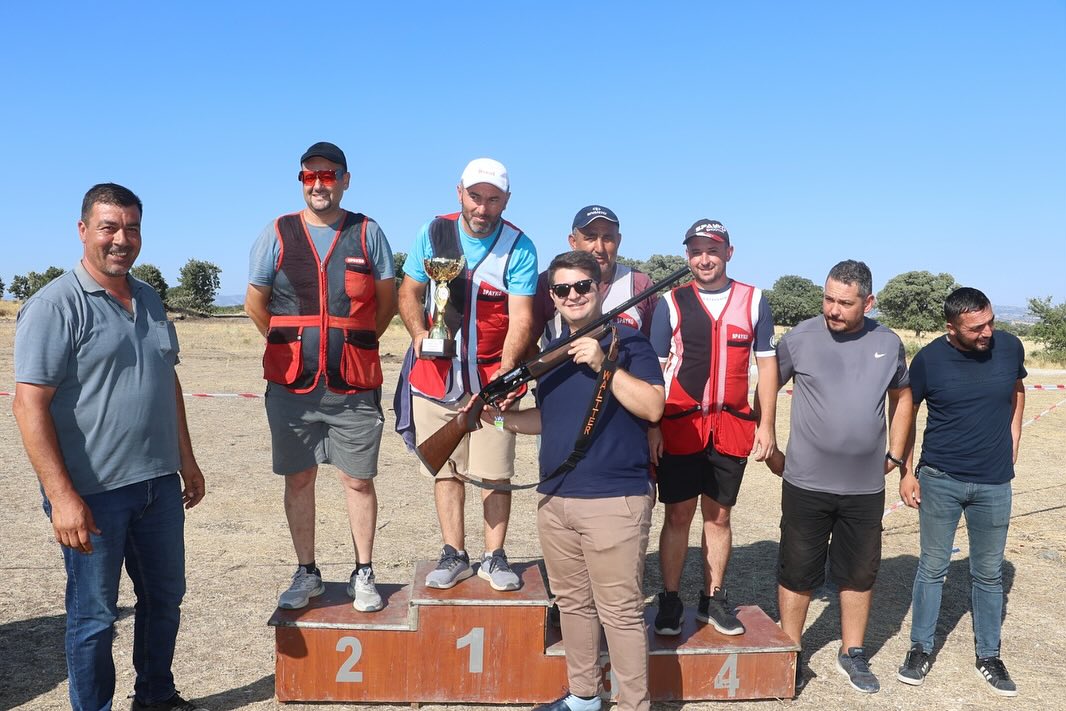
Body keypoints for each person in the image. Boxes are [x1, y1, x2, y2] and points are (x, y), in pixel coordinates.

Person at [13, 183, 208, 711]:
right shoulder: (55, 305)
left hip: (158, 487)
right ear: (83, 231)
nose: (122, 239)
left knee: (165, 600)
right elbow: (28, 405)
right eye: (109, 227)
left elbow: (166, 382)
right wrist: (63, 496)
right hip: (92, 496)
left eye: (132, 228)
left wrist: (185, 460)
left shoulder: (148, 298)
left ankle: (156, 697)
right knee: (94, 618)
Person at [485, 250, 664, 711]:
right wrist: (500, 420)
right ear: (553, 296)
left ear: (601, 289)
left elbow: (652, 407)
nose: (573, 296)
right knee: (573, 606)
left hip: (615, 499)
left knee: (621, 613)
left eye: (582, 286)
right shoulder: (550, 353)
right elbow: (553, 419)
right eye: (562, 289)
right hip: (555, 498)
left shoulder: (630, 344)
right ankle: (584, 696)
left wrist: (604, 363)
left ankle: (632, 704)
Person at [245, 141, 397, 613]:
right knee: (298, 480)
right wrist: (292, 344)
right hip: (292, 388)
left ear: (345, 180)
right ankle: (306, 572)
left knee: (359, 482)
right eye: (309, 176)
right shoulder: (276, 232)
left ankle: (363, 572)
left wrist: (356, 343)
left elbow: (387, 301)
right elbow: (256, 302)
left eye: (328, 176)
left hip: (353, 386)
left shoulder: (368, 232)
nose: (318, 184)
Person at [769, 259, 912, 694]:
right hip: (806, 482)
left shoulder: (888, 343)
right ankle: (790, 649)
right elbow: (765, 387)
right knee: (797, 570)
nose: (833, 309)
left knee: (858, 572)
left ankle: (852, 651)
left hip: (865, 488)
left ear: (868, 302)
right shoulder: (798, 339)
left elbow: (903, 397)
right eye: (828, 299)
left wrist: (896, 453)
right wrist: (769, 444)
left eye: (845, 303)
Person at [397, 157, 538, 592]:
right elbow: (410, 290)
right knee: (445, 472)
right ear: (459, 193)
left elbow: (521, 319)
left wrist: (504, 376)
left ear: (506, 201)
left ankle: (494, 557)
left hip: (492, 384)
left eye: (493, 199)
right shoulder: (433, 232)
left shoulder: (520, 246)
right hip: (435, 379)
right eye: (476, 196)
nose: (483, 206)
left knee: (495, 473)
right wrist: (420, 332)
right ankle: (453, 553)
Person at [648, 219, 778, 638]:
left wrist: (768, 425)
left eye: (712, 249)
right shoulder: (671, 302)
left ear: (729, 252)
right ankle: (670, 599)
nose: (704, 258)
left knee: (719, 516)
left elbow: (767, 366)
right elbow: (653, 368)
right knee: (678, 515)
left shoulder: (754, 300)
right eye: (696, 251)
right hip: (681, 425)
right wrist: (652, 426)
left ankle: (713, 598)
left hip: (732, 426)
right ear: (687, 256)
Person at [896, 288, 1025, 697]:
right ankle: (920, 649)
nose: (988, 332)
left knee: (988, 574)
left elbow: (1017, 391)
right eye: (976, 328)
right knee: (932, 567)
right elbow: (906, 413)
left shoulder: (1009, 347)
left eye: (990, 322)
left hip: (994, 482)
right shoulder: (930, 360)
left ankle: (989, 655)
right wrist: (906, 471)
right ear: (951, 328)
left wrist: (1014, 439)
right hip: (940, 479)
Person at [532, 205, 658, 343]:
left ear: (619, 240)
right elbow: (528, 341)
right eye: (590, 238)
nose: (599, 248)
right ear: (573, 242)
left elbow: (652, 345)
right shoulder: (548, 281)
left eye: (607, 238)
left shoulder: (640, 283)